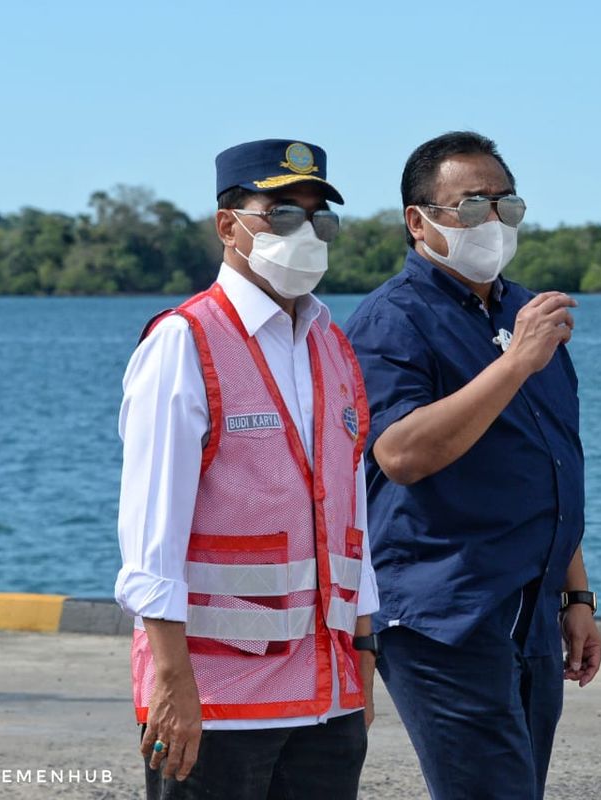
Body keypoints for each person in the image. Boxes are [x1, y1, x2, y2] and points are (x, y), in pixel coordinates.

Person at [114, 139, 378, 800]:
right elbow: (151, 537)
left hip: (326, 700)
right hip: (215, 701)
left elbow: (354, 522)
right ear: (228, 226)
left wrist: (364, 662)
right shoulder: (185, 342)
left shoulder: (332, 345)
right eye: (282, 214)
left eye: (320, 219)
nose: (306, 233)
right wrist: (170, 684)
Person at [343, 130, 601, 799]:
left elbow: (553, 463)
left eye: (505, 205)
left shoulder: (524, 312)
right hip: (445, 616)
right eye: (470, 205)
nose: (491, 220)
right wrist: (514, 363)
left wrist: (576, 596)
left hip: (532, 610)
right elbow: (400, 453)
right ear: (418, 220)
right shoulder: (392, 320)